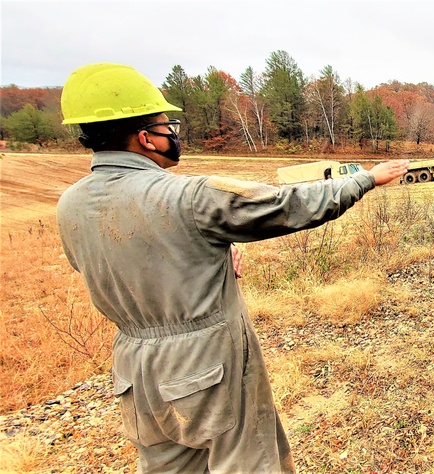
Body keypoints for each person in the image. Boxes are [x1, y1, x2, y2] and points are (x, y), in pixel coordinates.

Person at [56, 62, 409, 472]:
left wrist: (204, 258)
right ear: (144, 138)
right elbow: (285, 205)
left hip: (135, 373)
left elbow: (115, 267)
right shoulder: (188, 196)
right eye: (166, 124)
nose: (173, 133)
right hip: (205, 365)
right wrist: (364, 180)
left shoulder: (70, 205)